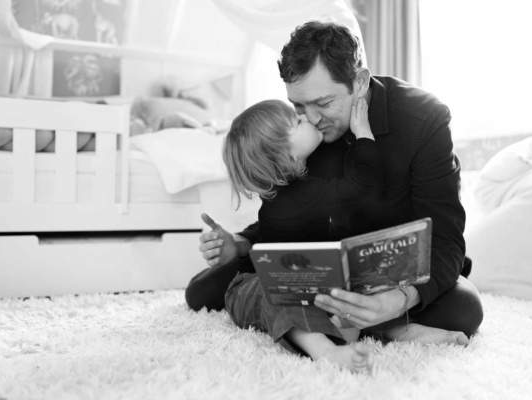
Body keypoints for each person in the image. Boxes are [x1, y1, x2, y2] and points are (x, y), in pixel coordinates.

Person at [186, 20, 483, 345]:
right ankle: (376, 327)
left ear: (359, 82)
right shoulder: (303, 135)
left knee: (464, 310)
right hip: (315, 267)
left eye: (323, 104)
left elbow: (446, 241)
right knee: (202, 292)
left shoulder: (425, 121)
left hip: (387, 273)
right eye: (299, 105)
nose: (311, 118)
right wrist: (240, 244)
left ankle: (374, 321)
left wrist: (398, 300)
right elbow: (291, 214)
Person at [221, 97, 382, 371]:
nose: (308, 118)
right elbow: (362, 185)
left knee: (348, 290)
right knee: (279, 296)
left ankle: (366, 333)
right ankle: (326, 352)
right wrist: (363, 132)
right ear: (285, 154)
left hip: (305, 284)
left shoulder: (298, 187)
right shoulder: (302, 195)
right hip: (260, 287)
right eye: (297, 122)